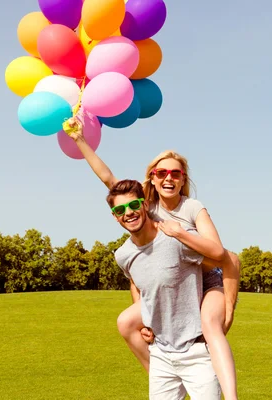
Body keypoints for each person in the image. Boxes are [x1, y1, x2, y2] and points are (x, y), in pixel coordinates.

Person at [66, 117, 240, 400]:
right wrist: (80, 140)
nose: (168, 178)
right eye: (161, 173)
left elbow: (224, 255)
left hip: (207, 278)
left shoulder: (192, 207)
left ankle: (231, 396)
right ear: (152, 178)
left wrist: (229, 306)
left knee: (210, 325)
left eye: (175, 173)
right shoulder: (147, 205)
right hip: (170, 276)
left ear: (183, 179)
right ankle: (162, 373)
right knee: (126, 322)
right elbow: (110, 181)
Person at [109, 179, 221, 399]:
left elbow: (223, 260)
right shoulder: (123, 255)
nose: (128, 213)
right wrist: (144, 318)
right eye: (120, 209)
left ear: (144, 205)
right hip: (160, 355)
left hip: (196, 351)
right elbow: (137, 282)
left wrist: (225, 306)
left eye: (133, 205)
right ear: (115, 216)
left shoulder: (175, 238)